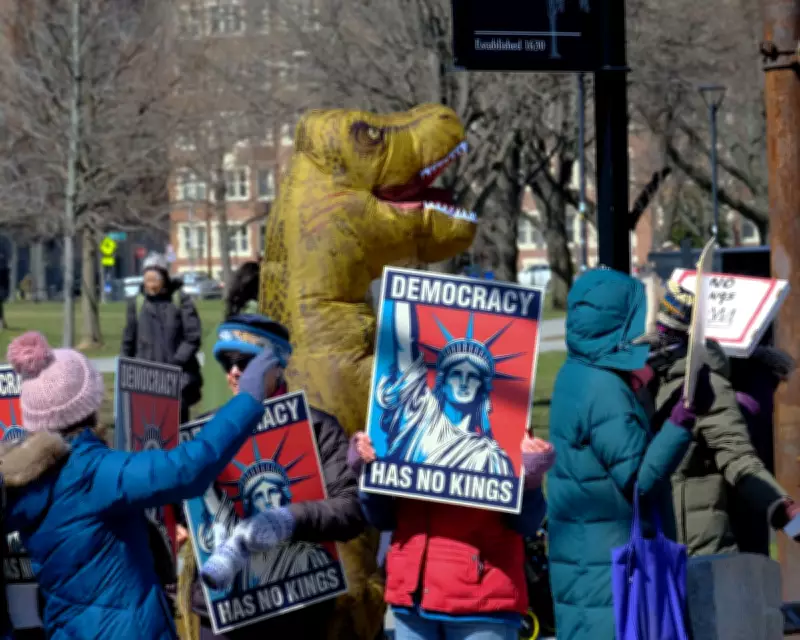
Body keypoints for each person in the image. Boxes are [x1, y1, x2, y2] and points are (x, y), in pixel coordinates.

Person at [0, 330, 282, 640]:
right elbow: (190, 467)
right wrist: (249, 398)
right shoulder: (93, 472)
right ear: (89, 403)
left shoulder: (24, 480)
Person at [176, 314, 365, 640]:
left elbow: (350, 511)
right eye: (226, 362)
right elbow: (185, 510)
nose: (233, 372)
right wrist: (178, 522)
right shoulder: (206, 430)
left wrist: (290, 517)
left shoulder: (317, 428)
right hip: (224, 611)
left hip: (296, 609)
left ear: (276, 366)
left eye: (245, 361)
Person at [547, 268, 704, 640]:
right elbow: (640, 480)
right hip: (613, 578)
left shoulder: (577, 372)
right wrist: (681, 422)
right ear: (617, 323)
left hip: (587, 566)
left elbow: (614, 451)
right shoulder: (604, 391)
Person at [641, 279, 799, 557]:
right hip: (650, 547)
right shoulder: (642, 381)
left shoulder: (705, 384)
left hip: (698, 551)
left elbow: (738, 458)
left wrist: (789, 516)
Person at [346, 429, 554, 640]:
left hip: (481, 605)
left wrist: (530, 481)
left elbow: (526, 524)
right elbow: (382, 519)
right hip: (411, 603)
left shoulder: (499, 411)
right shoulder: (404, 419)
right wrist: (368, 475)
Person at [375, 299, 516, 474]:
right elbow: (404, 347)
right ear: (443, 382)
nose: (464, 381)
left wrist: (532, 478)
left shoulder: (491, 457)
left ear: (482, 387)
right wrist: (403, 290)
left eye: (472, 376)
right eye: (456, 374)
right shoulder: (421, 414)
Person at [121, 253, 203, 422]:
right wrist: (125, 369)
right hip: (145, 381)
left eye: (154, 280)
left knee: (176, 428)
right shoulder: (137, 304)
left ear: (164, 279)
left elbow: (193, 336)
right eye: (147, 280)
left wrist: (176, 362)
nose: (150, 285)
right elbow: (129, 339)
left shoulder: (180, 300)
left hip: (177, 380)